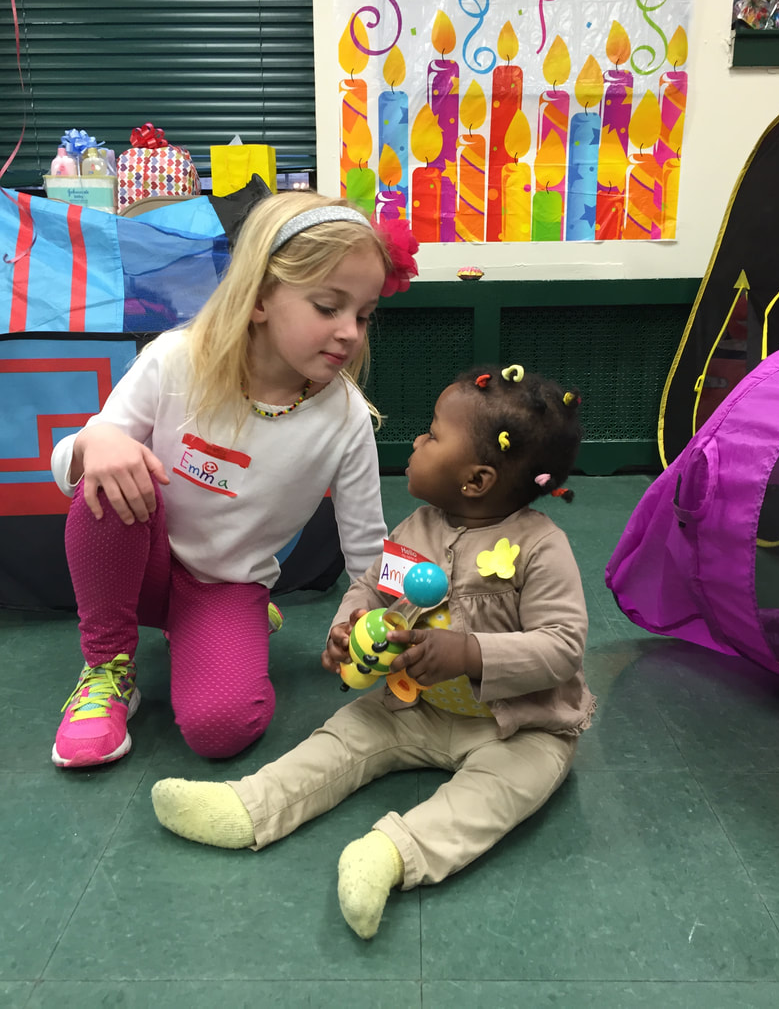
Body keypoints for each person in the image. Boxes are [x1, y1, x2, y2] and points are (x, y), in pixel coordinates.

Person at [151, 363, 596, 940]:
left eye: (432, 435)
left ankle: (390, 855)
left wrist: (469, 653)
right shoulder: (417, 528)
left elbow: (562, 646)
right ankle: (249, 807)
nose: (416, 442)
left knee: (499, 792)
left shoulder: (541, 547)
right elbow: (371, 587)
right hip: (417, 705)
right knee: (342, 737)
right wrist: (347, 626)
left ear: (476, 480)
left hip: (520, 726)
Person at [50, 191, 418, 770]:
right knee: (108, 479)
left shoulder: (346, 418)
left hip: (224, 585)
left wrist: (384, 619)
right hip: (138, 566)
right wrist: (93, 442)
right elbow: (68, 470)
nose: (350, 332)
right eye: (328, 307)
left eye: (363, 314)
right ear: (261, 297)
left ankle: (224, 626)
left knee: (221, 729)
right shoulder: (176, 359)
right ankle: (106, 667)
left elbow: (368, 547)